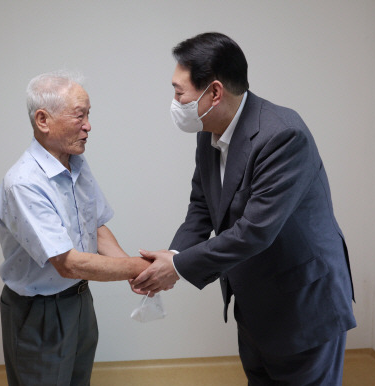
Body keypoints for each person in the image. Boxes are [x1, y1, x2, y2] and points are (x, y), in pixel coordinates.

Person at [132, 32, 356, 385]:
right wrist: (174, 253)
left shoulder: (282, 135)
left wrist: (176, 267)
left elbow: (254, 231)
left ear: (215, 92)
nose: (174, 101)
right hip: (255, 302)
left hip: (303, 305)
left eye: (179, 92)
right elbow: (202, 207)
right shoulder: (209, 132)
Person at [0, 71, 150, 386]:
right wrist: (138, 266)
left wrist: (133, 270)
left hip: (78, 300)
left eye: (88, 115)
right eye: (80, 115)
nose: (88, 125)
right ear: (43, 120)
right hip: (40, 312)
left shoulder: (76, 164)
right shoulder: (24, 182)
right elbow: (67, 263)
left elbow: (96, 226)